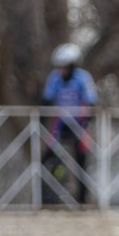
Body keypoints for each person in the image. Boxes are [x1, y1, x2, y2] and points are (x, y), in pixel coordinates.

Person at [41, 43, 99, 204]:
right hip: (60, 124)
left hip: (79, 124)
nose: (62, 71)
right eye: (60, 67)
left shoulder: (83, 78)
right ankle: (49, 196)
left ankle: (82, 200)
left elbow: (91, 102)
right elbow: (46, 100)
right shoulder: (54, 78)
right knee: (49, 159)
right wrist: (42, 123)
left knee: (81, 161)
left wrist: (86, 126)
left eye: (65, 67)